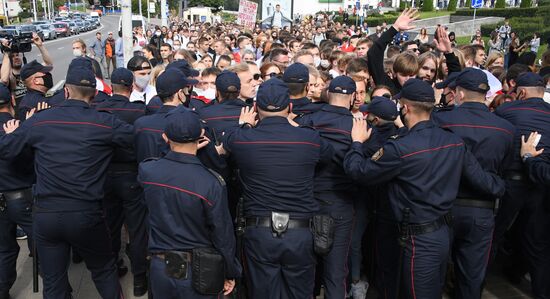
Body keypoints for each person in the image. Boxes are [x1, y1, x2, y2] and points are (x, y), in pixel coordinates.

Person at [343, 78, 505, 299]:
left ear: (406, 108)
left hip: (418, 239)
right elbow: (482, 180)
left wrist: (356, 143)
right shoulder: (453, 142)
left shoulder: (401, 148)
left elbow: (358, 172)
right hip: (439, 234)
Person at [0, 57, 131, 299]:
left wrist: (16, 131)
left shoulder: (41, 120)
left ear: (66, 90)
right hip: (87, 213)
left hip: (47, 215)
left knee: (54, 280)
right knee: (103, 271)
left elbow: (7, 150)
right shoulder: (105, 123)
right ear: (94, 93)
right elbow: (135, 140)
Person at [220, 78, 332, 298]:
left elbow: (230, 140)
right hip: (300, 233)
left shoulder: (244, 138)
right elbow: (327, 154)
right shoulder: (309, 139)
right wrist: (294, 124)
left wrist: (245, 124)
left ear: (254, 108)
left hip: (260, 233)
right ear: (290, 108)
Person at [139, 107, 240, 298]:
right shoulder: (210, 183)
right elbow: (223, 235)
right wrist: (229, 271)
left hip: (160, 268)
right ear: (201, 136)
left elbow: (161, 160)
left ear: (165, 137)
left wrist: (170, 146)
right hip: (200, 270)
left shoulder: (148, 171)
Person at [432, 68, 515, 299]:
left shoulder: (440, 120)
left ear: (459, 94)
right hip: (481, 211)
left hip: (442, 207)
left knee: (433, 275)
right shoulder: (506, 130)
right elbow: (504, 171)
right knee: (471, 278)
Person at [296, 76, 357, 299]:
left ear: (328, 93)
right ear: (352, 97)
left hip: (308, 200)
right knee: (335, 272)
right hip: (339, 203)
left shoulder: (310, 120)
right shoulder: (357, 125)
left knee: (306, 270)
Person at [494, 72, 550, 299]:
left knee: (493, 236)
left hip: (511, 183)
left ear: (522, 93)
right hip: (541, 186)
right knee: (537, 244)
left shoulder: (505, 111)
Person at [95, 68, 148, 296]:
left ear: (112, 85)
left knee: (111, 227)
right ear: (131, 86)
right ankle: (139, 278)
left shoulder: (98, 110)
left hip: (105, 176)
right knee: (137, 230)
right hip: (131, 175)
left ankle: (114, 266)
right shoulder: (138, 112)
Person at [0, 83, 35, 299]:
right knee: (42, 241)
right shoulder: (17, 127)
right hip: (21, 196)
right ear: (12, 101)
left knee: (5, 249)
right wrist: (25, 129)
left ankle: (3, 290)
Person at [134, 67, 198, 163]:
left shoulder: (140, 124)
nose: (188, 93)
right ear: (180, 94)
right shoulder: (189, 123)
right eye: (186, 90)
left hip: (145, 176)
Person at [0, 32, 53, 113]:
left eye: (17, 55)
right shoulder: (8, 75)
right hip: (18, 113)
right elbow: (4, 80)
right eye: (12, 56)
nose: (16, 58)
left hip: (36, 108)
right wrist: (7, 52)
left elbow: (48, 64)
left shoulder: (28, 71)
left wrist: (40, 46)